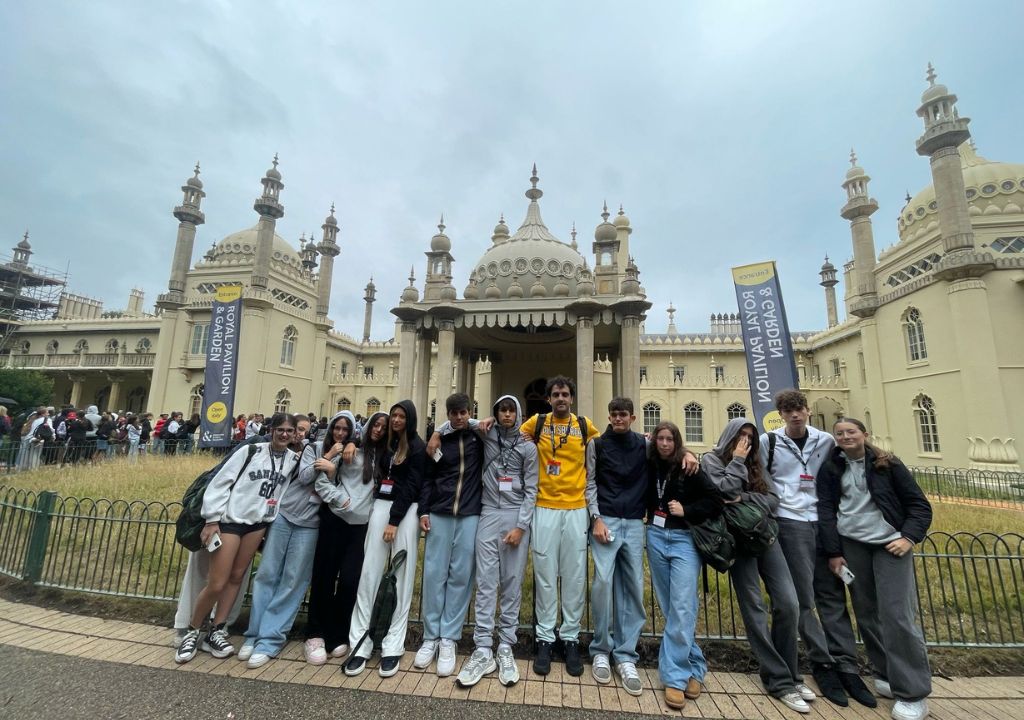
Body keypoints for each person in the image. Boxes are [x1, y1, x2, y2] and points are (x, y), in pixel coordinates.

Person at [759, 389, 875, 708]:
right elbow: (758, 476)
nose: (795, 415)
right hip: (791, 521)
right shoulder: (768, 442)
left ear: (808, 411)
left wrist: (883, 457)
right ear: (780, 414)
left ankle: (846, 666)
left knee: (833, 594)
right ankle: (821, 662)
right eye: (788, 410)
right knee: (804, 598)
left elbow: (855, 448)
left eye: (799, 409)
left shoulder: (825, 439)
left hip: (826, 520)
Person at [817, 418, 933, 720]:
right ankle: (886, 673)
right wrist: (834, 552)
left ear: (864, 434)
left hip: (889, 546)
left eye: (851, 432)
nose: (845, 437)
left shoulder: (887, 464)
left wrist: (908, 537)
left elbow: (918, 505)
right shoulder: (832, 467)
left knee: (897, 615)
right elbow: (826, 510)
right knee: (867, 612)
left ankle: (913, 691)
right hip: (854, 545)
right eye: (839, 433)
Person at [704, 417, 812, 714]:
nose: (745, 442)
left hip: (765, 537)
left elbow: (773, 499)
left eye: (750, 438)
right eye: (740, 436)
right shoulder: (711, 461)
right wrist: (737, 461)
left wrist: (745, 496)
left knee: (788, 604)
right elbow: (724, 492)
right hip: (738, 540)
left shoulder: (756, 464)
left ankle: (791, 673)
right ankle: (779, 680)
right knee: (754, 608)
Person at [174, 412, 301, 664]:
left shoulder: (293, 460)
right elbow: (221, 482)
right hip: (232, 522)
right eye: (280, 430)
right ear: (271, 430)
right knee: (217, 583)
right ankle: (193, 630)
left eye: (289, 431)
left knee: (236, 577)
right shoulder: (251, 451)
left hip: (257, 524)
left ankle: (218, 629)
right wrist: (212, 519)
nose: (284, 434)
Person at [447, 394, 538, 688]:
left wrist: (521, 527)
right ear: (496, 413)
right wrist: (436, 435)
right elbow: (457, 421)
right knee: (486, 581)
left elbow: (532, 490)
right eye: (502, 410)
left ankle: (505, 646)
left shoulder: (527, 446)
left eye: (512, 410)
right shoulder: (486, 433)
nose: (507, 415)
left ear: (518, 413)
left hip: (514, 516)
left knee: (511, 581)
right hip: (488, 512)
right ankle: (483, 646)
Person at [517, 376, 601, 676]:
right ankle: (544, 638)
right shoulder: (536, 424)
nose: (561, 398)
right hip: (544, 507)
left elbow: (609, 446)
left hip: (576, 509)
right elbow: (505, 431)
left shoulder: (583, 426)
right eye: (556, 394)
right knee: (545, 574)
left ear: (572, 398)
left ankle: (569, 639)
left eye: (565, 393)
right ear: (549, 399)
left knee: (575, 576)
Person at [344, 400, 425, 678]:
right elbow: (365, 439)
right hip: (380, 505)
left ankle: (393, 643)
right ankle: (361, 642)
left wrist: (395, 519)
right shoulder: (386, 445)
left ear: (410, 419)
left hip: (406, 511)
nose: (396, 420)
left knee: (401, 577)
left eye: (402, 416)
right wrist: (351, 442)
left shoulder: (416, 447)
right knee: (370, 573)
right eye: (394, 415)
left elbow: (414, 484)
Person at [645, 421, 723, 709]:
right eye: (660, 439)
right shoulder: (650, 462)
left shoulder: (690, 467)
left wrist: (687, 510)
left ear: (677, 442)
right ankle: (696, 665)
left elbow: (716, 501)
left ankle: (675, 677)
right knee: (671, 607)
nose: (665, 443)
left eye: (670, 439)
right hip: (654, 535)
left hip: (683, 539)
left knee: (682, 606)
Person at [584, 397, 653, 696]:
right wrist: (596, 518)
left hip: (635, 522)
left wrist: (687, 453)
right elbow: (590, 483)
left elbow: (668, 453)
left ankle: (625, 655)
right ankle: (600, 647)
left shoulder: (644, 445)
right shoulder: (597, 444)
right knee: (602, 582)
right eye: (614, 414)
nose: (618, 419)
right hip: (607, 520)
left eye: (623, 415)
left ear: (633, 417)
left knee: (633, 587)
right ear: (609, 416)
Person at [304, 410, 385, 665]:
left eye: (384, 427)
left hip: (360, 529)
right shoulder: (350, 451)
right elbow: (321, 482)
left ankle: (338, 632)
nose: (379, 430)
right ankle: (315, 633)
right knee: (325, 576)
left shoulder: (384, 458)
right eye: (376, 425)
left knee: (350, 581)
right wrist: (341, 499)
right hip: (335, 521)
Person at [414, 393, 485, 677]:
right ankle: (430, 636)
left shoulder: (478, 438)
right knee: (434, 573)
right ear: (448, 414)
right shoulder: (439, 442)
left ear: (470, 412)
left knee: (460, 575)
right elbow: (428, 478)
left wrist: (438, 429)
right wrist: (423, 511)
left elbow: (488, 426)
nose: (458, 417)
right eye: (453, 413)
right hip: (440, 512)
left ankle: (449, 638)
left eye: (463, 413)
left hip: (469, 514)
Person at [236, 415, 316, 669]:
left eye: (302, 430)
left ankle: (270, 639)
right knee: (268, 575)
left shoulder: (312, 454)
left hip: (309, 523)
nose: (298, 434)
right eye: (296, 430)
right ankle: (254, 633)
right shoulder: (278, 456)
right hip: (281, 518)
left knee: (293, 579)